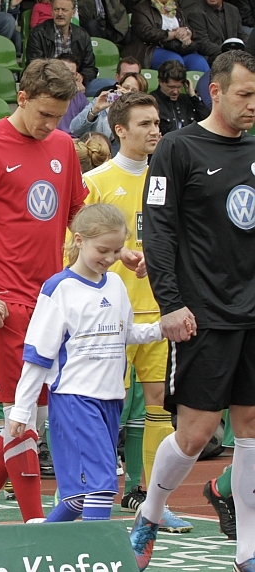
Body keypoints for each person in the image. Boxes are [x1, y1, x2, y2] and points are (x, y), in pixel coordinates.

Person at [0, 59, 96, 525]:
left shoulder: (63, 146)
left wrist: (113, 251)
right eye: (44, 114)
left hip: (52, 299)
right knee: (22, 411)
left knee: (35, 411)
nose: (51, 124)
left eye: (59, 116)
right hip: (3, 301)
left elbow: (76, 214)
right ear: (22, 98)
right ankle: (37, 524)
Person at [130, 50, 255, 572]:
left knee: (251, 428)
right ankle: (150, 513)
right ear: (216, 91)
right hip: (202, 314)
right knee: (197, 433)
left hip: (253, 313)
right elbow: (158, 231)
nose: (253, 105)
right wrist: (170, 303)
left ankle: (248, 551)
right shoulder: (178, 148)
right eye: (245, 94)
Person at [10, 204, 164, 523]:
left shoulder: (116, 285)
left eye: (116, 251)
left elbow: (125, 333)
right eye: (102, 250)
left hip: (111, 399)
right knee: (102, 484)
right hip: (75, 398)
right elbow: (38, 355)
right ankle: (98, 551)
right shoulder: (59, 289)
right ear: (79, 240)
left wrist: (162, 329)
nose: (109, 258)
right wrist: (22, 410)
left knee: (79, 497)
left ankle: (42, 539)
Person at [82, 91, 193, 532]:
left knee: (158, 403)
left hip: (159, 309)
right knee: (106, 404)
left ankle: (148, 497)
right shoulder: (95, 181)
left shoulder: (169, 179)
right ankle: (89, 491)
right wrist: (120, 253)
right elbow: (74, 245)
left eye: (157, 123)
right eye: (145, 123)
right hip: (109, 313)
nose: (155, 131)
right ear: (120, 130)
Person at [125, 0, 209, 73]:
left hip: (179, 48)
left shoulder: (176, 9)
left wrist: (187, 32)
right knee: (175, 62)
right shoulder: (141, 9)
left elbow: (189, 28)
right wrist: (172, 34)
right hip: (151, 50)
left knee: (199, 62)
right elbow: (146, 33)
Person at [26, 0, 99, 87]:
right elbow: (35, 66)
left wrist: (82, 77)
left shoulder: (82, 35)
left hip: (74, 84)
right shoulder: (38, 33)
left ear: (73, 13)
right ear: (52, 11)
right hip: (46, 83)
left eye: (64, 10)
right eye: (56, 9)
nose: (60, 14)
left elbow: (90, 67)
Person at [69, 71, 150, 140]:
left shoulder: (145, 113)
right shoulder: (102, 102)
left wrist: (131, 106)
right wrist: (94, 110)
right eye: (125, 87)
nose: (127, 92)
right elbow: (74, 129)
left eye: (133, 91)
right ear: (118, 87)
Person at [190, 0, 246, 65]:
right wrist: (229, 51)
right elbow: (202, 44)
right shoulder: (196, 13)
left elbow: (241, 35)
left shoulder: (233, 10)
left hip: (234, 55)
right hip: (212, 57)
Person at [153, 59, 210, 134]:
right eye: (171, 87)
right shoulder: (152, 101)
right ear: (160, 81)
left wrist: (193, 97)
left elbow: (207, 121)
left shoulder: (188, 100)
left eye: (179, 87)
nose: (175, 92)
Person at [57, 53, 93, 135]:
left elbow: (87, 129)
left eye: (71, 74)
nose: (66, 76)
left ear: (76, 75)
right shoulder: (42, 95)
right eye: (63, 71)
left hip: (75, 140)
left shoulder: (80, 98)